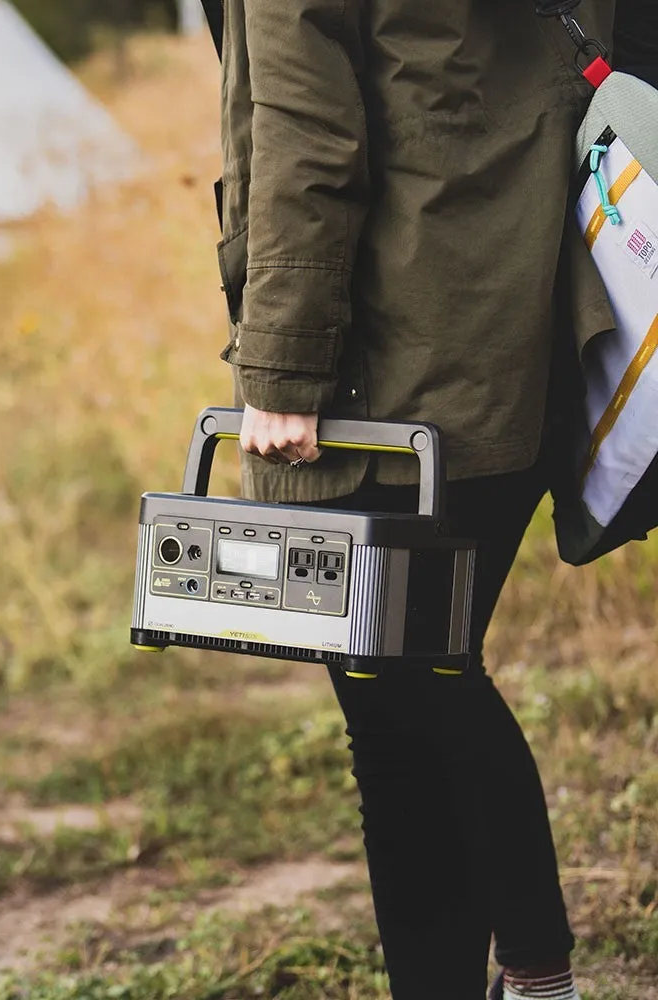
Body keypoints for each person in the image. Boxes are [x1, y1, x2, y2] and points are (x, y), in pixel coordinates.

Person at [214, 2, 658, 998]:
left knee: (400, 685)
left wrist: (283, 362)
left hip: (384, 355)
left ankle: (537, 975)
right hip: (525, 302)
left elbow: (303, 130)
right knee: (414, 673)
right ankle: (506, 975)